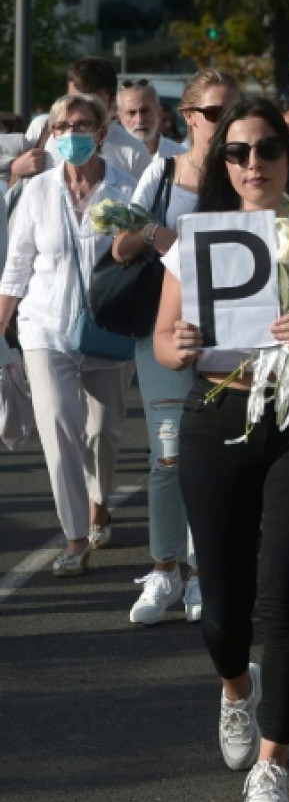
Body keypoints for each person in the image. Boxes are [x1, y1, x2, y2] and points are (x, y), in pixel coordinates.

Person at [153, 96, 289, 802]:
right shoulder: (196, 238)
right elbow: (162, 337)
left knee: (283, 599)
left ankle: (274, 760)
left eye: (267, 149)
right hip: (218, 413)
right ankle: (235, 686)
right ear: (224, 164)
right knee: (222, 611)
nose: (253, 163)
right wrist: (176, 345)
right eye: (238, 152)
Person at [114, 69, 241, 624]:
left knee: (218, 457)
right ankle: (165, 570)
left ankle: (200, 574)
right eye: (215, 113)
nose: (226, 122)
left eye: (232, 111)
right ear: (187, 117)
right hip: (163, 331)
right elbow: (119, 246)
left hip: (228, 336)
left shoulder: (244, 173)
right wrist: (161, 238)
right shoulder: (161, 173)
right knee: (167, 454)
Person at [0, 93, 138, 576]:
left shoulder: (126, 189)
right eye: (62, 127)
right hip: (45, 328)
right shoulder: (36, 191)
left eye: (82, 125)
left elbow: (145, 264)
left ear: (102, 133)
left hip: (108, 332)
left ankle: (100, 498)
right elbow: (16, 267)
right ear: (52, 134)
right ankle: (75, 537)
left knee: (103, 431)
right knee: (59, 427)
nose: (71, 134)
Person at [12, 56, 152, 188]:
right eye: (74, 100)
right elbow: (12, 197)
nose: (81, 111)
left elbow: (145, 209)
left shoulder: (134, 153)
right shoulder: (42, 128)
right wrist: (16, 170)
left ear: (111, 101)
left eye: (92, 104)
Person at [118, 80, 187, 160]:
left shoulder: (179, 156)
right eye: (131, 113)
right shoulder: (111, 158)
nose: (139, 120)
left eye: (145, 111)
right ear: (120, 117)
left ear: (159, 112)